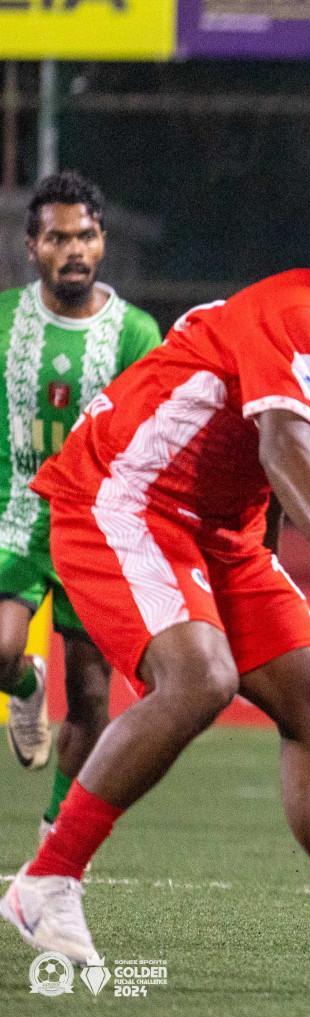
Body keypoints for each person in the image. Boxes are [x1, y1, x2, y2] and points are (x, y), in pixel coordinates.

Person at [2, 161, 310, 997]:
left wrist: (260, 573)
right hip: (123, 499)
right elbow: (283, 447)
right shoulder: (306, 318)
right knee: (201, 676)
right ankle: (47, 883)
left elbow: (259, 469)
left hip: (213, 531)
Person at [1, 173, 161, 855]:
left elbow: (150, 436)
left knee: (93, 695)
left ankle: (59, 819)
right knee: (3, 649)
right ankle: (24, 684)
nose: (74, 249)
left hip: (96, 529)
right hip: (16, 515)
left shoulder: (134, 331)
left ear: (103, 242)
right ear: (31, 246)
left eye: (86, 235)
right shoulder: (5, 319)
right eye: (58, 236)